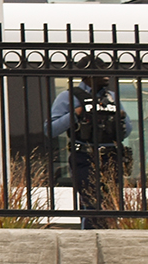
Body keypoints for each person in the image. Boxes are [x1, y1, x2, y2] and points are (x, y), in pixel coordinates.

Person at [48, 74, 131, 229]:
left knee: (111, 203)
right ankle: (91, 239)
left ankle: (107, 238)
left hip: (111, 156)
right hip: (84, 156)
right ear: (87, 76)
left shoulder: (112, 97)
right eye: (100, 71)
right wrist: (76, 114)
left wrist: (117, 118)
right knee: (92, 203)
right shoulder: (68, 96)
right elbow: (50, 129)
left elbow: (127, 131)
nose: (106, 76)